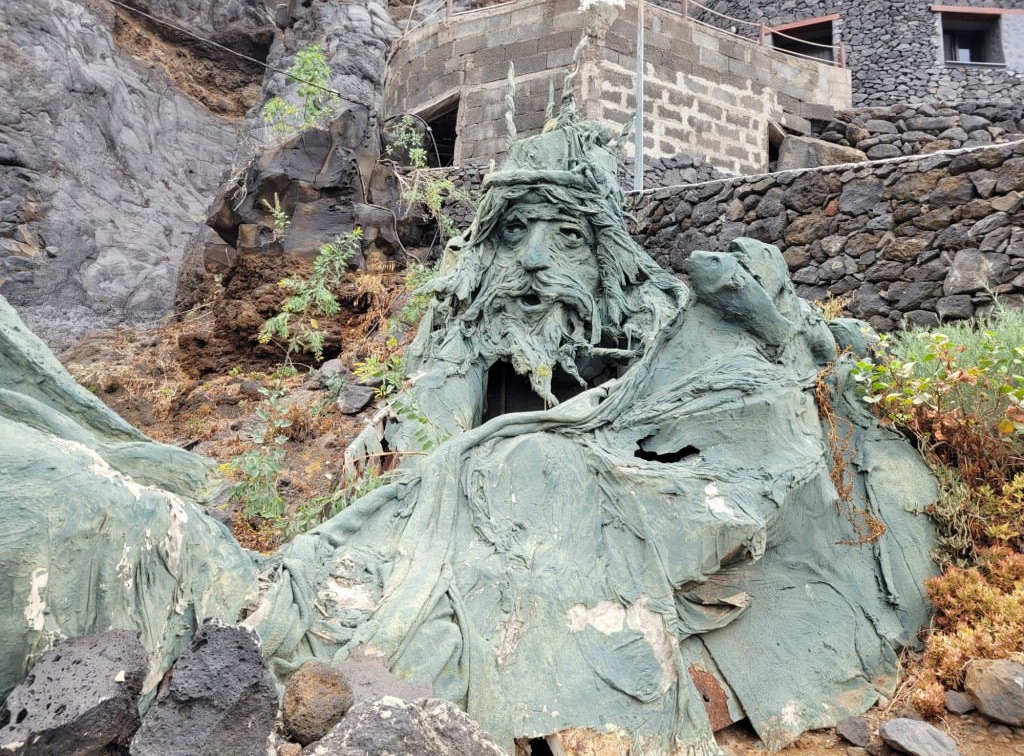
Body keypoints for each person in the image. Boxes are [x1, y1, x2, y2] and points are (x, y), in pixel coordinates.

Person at [249, 100, 939, 754]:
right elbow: (415, 446)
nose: (535, 258)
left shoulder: (655, 329)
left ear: (604, 256)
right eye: (515, 232)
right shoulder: (467, 336)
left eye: (567, 236)